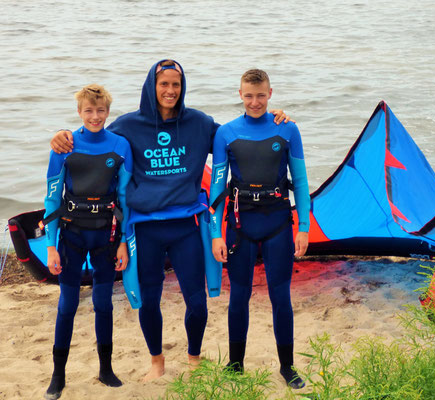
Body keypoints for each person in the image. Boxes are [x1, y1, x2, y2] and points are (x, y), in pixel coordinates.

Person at [49, 60, 291, 381]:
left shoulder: (199, 124)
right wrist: (63, 136)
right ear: (152, 85)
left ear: (182, 87)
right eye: (163, 84)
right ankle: (157, 361)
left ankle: (194, 358)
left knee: (198, 302)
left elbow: (240, 138)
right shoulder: (128, 126)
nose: (170, 91)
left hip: (185, 227)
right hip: (145, 229)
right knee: (149, 301)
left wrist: (278, 120)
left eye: (176, 84)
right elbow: (95, 137)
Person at [208, 69, 310, 389]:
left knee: (281, 296)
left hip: (279, 221)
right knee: (239, 296)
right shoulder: (226, 133)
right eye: (249, 95)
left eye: (261, 95)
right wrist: (215, 234)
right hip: (240, 223)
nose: (255, 102)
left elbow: (302, 183)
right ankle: (235, 365)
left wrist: (303, 227)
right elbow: (216, 187)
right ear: (240, 94)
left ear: (270, 94)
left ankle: (287, 367)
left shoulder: (289, 129)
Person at [42, 84, 132, 399]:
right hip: (71, 234)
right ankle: (58, 375)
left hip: (105, 236)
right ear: (79, 112)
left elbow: (124, 199)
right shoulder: (65, 145)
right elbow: (52, 198)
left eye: (101, 110)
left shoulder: (120, 146)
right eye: (89, 111)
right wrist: (51, 245)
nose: (95, 116)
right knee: (67, 305)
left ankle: (105, 369)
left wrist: (124, 241)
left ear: (108, 111)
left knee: (102, 303)